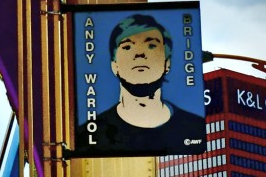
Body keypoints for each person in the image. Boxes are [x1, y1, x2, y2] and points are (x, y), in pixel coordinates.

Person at [76, 14, 205, 154]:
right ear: (114, 66)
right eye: (127, 47)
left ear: (167, 63)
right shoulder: (89, 135)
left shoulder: (193, 128)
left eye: (151, 46)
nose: (139, 54)